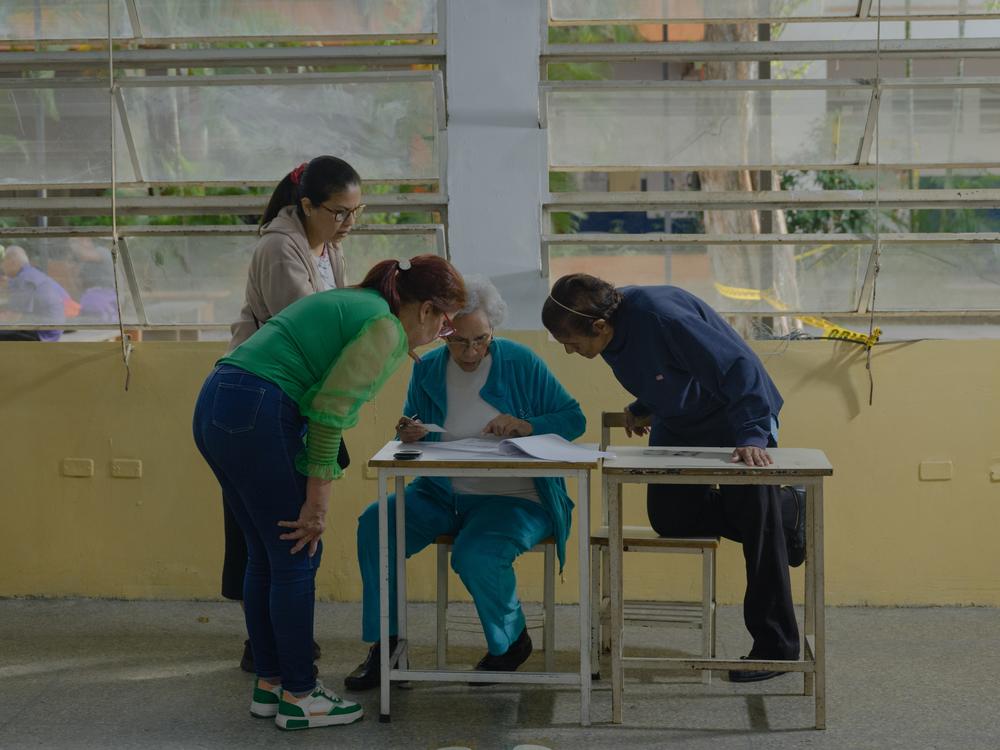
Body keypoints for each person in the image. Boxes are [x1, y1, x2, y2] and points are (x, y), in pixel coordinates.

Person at [192, 255, 465, 731]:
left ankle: (272, 684)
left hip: (219, 397)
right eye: (446, 322)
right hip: (259, 408)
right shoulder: (384, 328)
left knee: (264, 553)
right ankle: (301, 695)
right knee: (299, 553)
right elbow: (329, 412)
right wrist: (317, 504)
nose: (444, 333)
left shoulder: (359, 302)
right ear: (426, 310)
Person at [541, 273, 806, 683]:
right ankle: (789, 510)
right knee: (671, 517)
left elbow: (737, 366)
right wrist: (645, 404)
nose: (570, 351)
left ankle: (777, 646)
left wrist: (753, 432)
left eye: (572, 342)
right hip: (683, 421)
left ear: (599, 326)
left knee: (756, 515)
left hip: (737, 411)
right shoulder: (608, 325)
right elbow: (667, 367)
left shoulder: (661, 316)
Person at [344, 275, 585, 691]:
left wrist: (527, 425)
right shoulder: (428, 369)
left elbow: (573, 419)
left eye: (481, 340)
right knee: (376, 525)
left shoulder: (519, 361)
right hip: (440, 492)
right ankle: (387, 646)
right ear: (441, 329)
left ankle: (511, 643)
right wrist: (410, 430)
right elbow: (411, 422)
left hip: (517, 500)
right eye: (458, 340)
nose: (471, 351)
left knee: (476, 554)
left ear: (493, 331)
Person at [224, 156, 365, 674]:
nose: (349, 224)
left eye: (356, 212)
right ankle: (287, 667)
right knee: (285, 538)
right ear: (305, 204)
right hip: (268, 396)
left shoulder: (324, 245)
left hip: (287, 397)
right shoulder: (279, 246)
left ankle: (273, 661)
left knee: (278, 543)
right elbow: (310, 329)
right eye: (339, 213)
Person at [0, 245, 73, 341]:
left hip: (41, 334)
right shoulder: (31, 274)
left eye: (2, 261)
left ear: (12, 261)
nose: (1, 266)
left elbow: (13, 317)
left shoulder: (24, 279)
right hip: (50, 331)